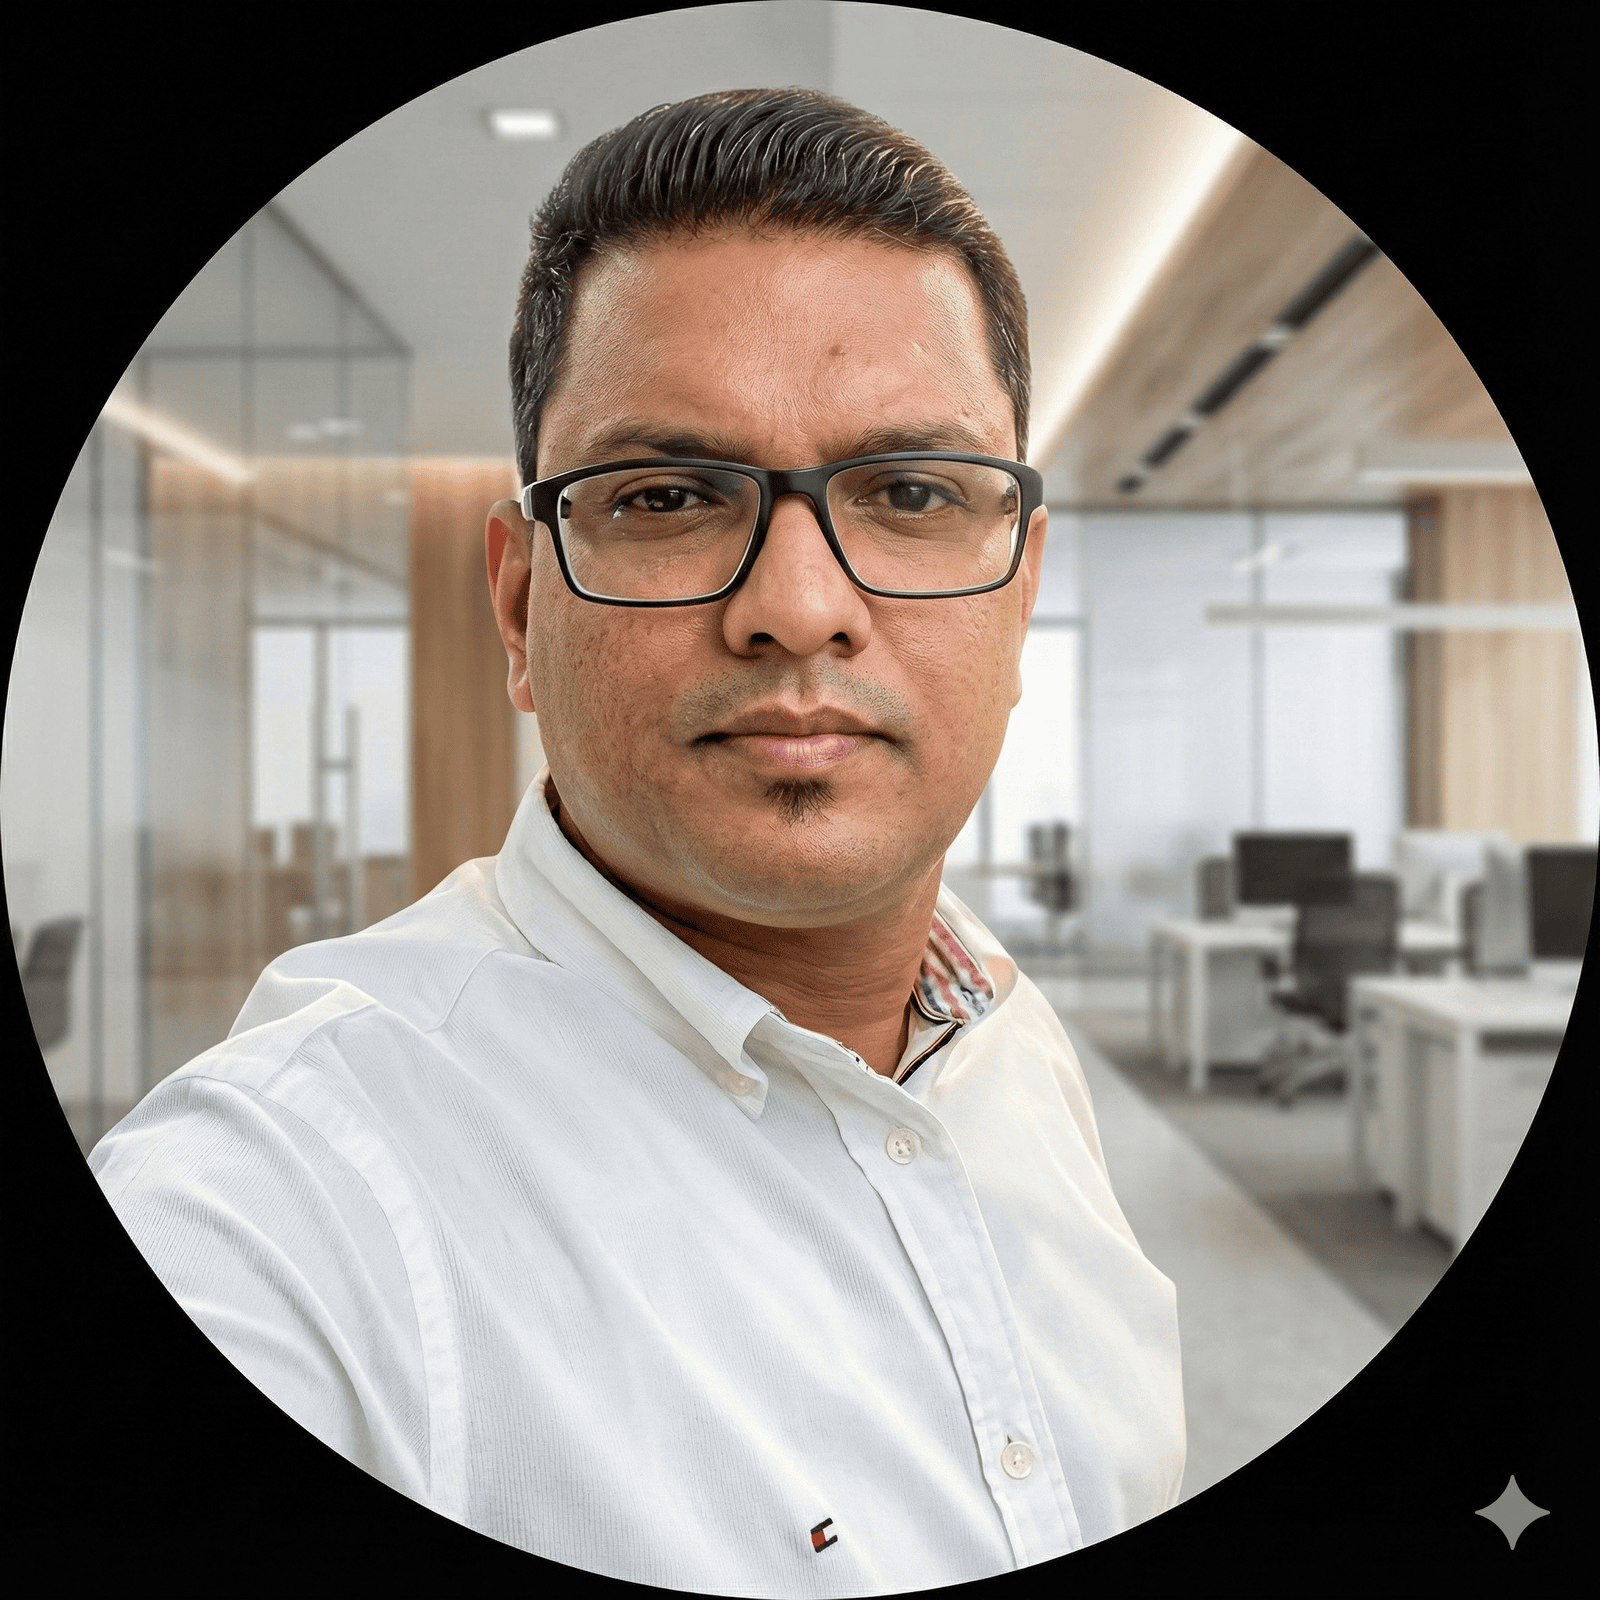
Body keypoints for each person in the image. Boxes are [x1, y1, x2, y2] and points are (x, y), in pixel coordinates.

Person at [91, 88, 1184, 1594]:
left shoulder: (1003, 1035)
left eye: (911, 492)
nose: (799, 606)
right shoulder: (295, 1202)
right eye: (668, 496)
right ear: (520, 605)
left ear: (1021, 592)